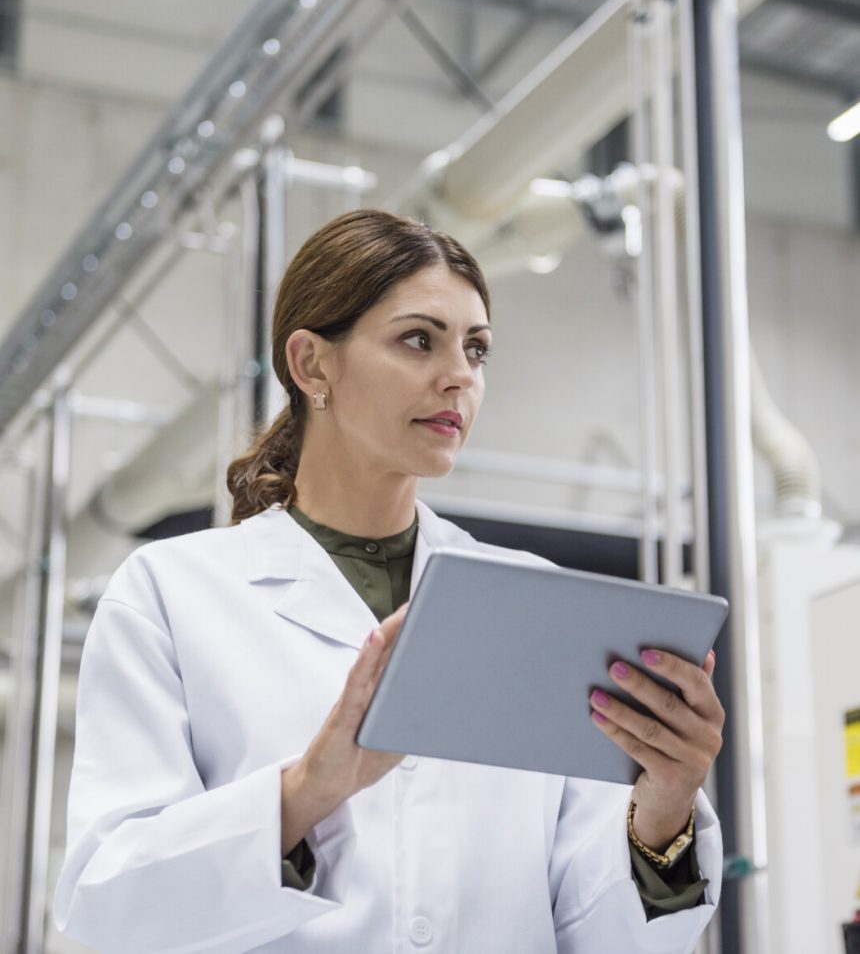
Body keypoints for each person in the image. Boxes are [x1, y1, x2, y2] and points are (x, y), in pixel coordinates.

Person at [54, 209, 725, 953]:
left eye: (476, 350)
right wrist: (305, 792)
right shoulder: (171, 595)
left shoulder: (536, 606)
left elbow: (597, 932)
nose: (459, 376)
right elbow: (106, 906)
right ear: (313, 365)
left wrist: (665, 807)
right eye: (418, 340)